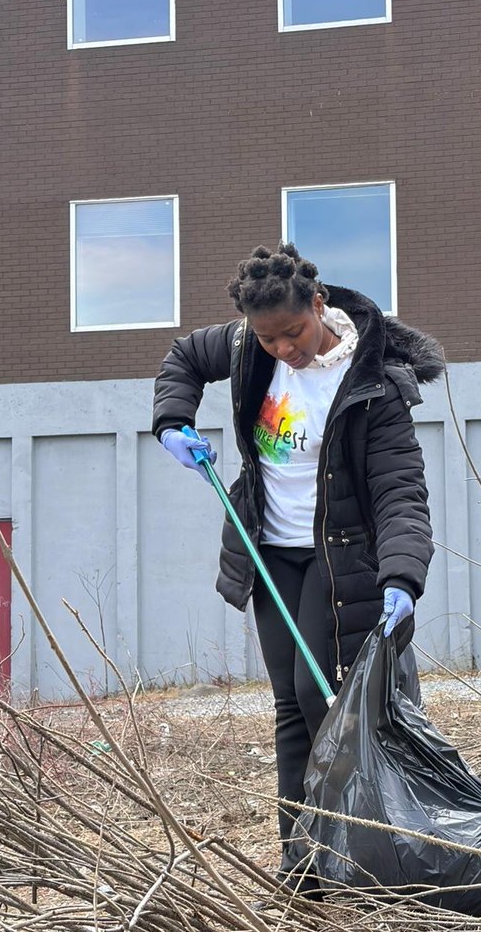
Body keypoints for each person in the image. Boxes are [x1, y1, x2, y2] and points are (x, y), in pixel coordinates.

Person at [152, 242, 442, 873]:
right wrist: (174, 422)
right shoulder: (242, 347)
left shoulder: (372, 381)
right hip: (269, 550)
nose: (282, 349)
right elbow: (182, 359)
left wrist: (403, 575)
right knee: (289, 702)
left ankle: (364, 846)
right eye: (268, 339)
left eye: (293, 333)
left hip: (338, 558)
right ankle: (302, 860)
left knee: (321, 693)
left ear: (319, 304)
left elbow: (400, 491)